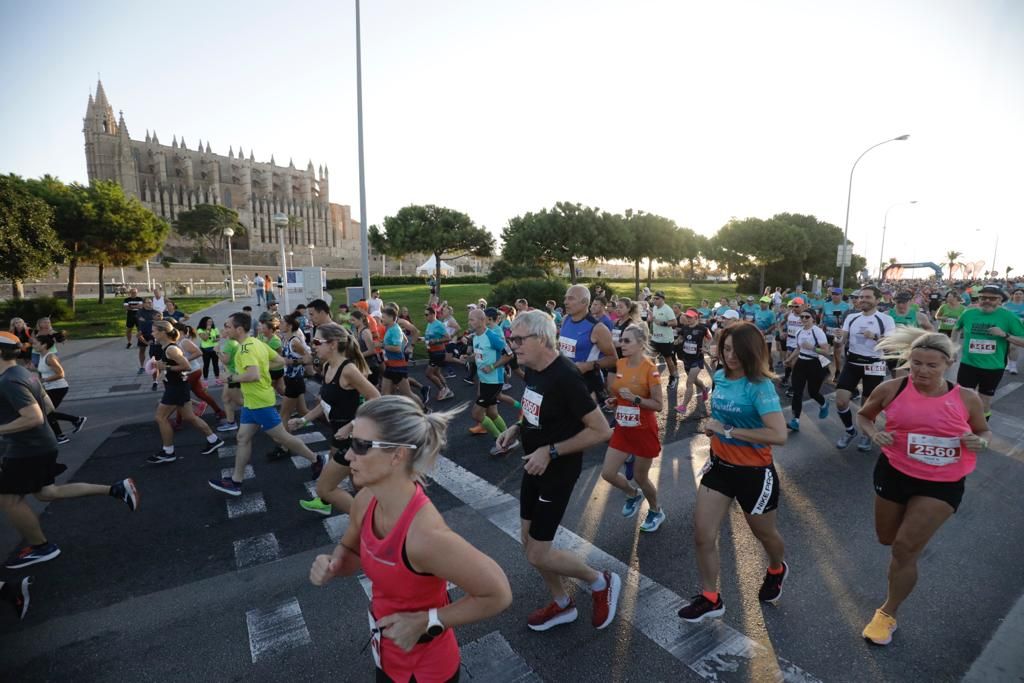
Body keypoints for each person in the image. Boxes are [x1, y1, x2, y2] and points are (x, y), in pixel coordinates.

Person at [309, 396, 512, 682]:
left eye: (361, 446)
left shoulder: (425, 536)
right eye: (350, 443)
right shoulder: (366, 500)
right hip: (387, 652)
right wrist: (334, 563)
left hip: (426, 668)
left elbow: (498, 594)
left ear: (397, 455)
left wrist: (426, 621)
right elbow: (351, 550)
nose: (348, 456)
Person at [856, 328, 991, 646]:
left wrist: (979, 441)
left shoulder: (965, 398)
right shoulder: (892, 388)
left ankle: (887, 614)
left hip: (943, 482)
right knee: (886, 539)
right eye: (916, 363)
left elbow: (983, 430)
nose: (922, 371)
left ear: (948, 364)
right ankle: (905, 558)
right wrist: (873, 433)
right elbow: (864, 416)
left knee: (904, 548)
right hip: (895, 472)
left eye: (932, 365)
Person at [493, 311, 621, 632]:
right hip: (533, 465)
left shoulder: (565, 376)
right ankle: (562, 604)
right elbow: (534, 411)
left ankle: (599, 581)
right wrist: (517, 429)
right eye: (512, 339)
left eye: (519, 340)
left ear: (542, 339)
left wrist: (550, 451)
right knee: (529, 543)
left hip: (557, 471)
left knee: (538, 553)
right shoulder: (533, 370)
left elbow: (601, 431)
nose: (513, 346)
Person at [677, 323, 789, 623]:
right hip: (720, 467)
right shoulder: (720, 377)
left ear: (752, 352)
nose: (731, 356)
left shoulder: (759, 386)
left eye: (738, 351)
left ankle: (777, 568)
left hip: (754, 472)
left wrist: (727, 430)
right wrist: (716, 429)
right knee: (702, 534)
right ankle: (711, 597)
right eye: (726, 349)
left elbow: (778, 435)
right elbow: (721, 416)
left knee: (764, 534)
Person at [0, 332, 138, 571]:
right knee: (46, 493)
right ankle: (116, 489)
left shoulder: (8, 381)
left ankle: (41, 547)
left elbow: (33, 417)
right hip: (41, 445)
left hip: (26, 449)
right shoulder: (24, 373)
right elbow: (49, 407)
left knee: (8, 499)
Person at [208, 312, 326, 496]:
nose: (225, 329)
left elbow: (253, 375)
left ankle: (317, 459)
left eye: (228, 326)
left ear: (239, 329)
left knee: (282, 438)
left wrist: (229, 377)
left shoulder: (245, 349)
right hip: (252, 402)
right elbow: (279, 360)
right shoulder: (257, 343)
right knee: (243, 438)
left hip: (260, 403)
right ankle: (236, 482)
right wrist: (300, 361)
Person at [296, 323, 380, 516]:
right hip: (338, 434)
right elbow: (325, 403)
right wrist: (303, 420)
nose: (313, 345)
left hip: (353, 437)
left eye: (317, 341)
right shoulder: (327, 367)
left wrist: (351, 426)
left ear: (333, 344)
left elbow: (376, 398)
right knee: (357, 481)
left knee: (325, 488)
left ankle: (369, 524)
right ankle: (378, 515)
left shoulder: (348, 369)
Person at [600, 324, 665, 532]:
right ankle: (632, 494)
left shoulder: (650, 369)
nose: (621, 344)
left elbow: (658, 405)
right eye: (621, 340)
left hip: (643, 431)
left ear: (640, 343)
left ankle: (656, 510)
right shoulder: (620, 363)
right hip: (623, 429)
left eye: (627, 341)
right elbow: (621, 395)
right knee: (608, 473)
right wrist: (615, 401)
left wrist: (636, 399)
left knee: (641, 477)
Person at [147, 321, 225, 464]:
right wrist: (162, 372)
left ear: (163, 332)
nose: (151, 333)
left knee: (160, 418)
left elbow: (186, 366)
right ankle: (214, 440)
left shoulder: (171, 349)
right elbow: (172, 366)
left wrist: (166, 367)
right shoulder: (165, 347)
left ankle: (168, 452)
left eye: (154, 331)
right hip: (177, 386)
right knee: (190, 417)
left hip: (176, 388)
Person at [833, 286, 896, 451]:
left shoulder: (885, 319)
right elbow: (840, 341)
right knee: (840, 400)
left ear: (877, 299)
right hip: (852, 362)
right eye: (861, 297)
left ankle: (866, 435)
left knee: (867, 406)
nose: (863, 300)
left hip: (874, 364)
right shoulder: (851, 317)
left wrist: (875, 336)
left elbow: (890, 345)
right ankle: (849, 431)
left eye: (867, 297)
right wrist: (838, 337)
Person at [952, 284, 1024, 419]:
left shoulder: (1008, 316)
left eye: (992, 298)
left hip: (993, 367)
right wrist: (953, 348)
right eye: (983, 297)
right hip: (968, 364)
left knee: (984, 402)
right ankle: (960, 428)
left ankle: (981, 431)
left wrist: (1005, 335)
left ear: (1000, 300)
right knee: (962, 399)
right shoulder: (968, 313)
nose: (987, 301)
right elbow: (956, 328)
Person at [559, 285, 617, 405]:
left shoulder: (598, 328)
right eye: (565, 298)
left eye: (571, 298)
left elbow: (613, 359)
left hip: (586, 383)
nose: (565, 302)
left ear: (585, 302)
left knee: (587, 423)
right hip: (564, 379)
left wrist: (587, 366)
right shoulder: (566, 319)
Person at [464, 308, 514, 448]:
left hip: (493, 381)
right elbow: (479, 354)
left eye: (472, 319)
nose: (469, 322)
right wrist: (468, 358)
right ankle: (508, 437)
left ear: (482, 320)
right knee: (492, 413)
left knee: (477, 414)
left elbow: (509, 354)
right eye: (469, 319)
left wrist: (492, 367)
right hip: (484, 380)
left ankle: (500, 439)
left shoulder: (491, 336)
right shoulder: (476, 336)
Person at [31, 333, 87, 445]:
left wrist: (43, 380)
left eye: (36, 344)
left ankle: (71, 425)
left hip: (59, 388)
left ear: (44, 345)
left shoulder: (50, 357)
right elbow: (45, 372)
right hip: (50, 388)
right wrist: (34, 373)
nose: (33, 346)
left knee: (47, 412)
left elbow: (61, 374)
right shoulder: (42, 356)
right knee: (48, 412)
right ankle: (64, 432)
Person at [174, 323, 230, 429]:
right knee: (200, 394)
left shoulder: (184, 342)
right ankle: (219, 412)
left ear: (180, 332)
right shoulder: (179, 342)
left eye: (173, 330)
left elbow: (199, 353)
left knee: (180, 397)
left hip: (192, 372)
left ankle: (178, 422)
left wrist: (184, 361)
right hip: (192, 371)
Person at [784, 310, 830, 431]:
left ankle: (824, 404)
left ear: (813, 319)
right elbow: (798, 348)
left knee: (813, 392)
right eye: (802, 316)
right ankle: (795, 420)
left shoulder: (818, 332)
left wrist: (813, 348)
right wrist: (789, 359)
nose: (803, 319)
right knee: (797, 392)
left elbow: (826, 351)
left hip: (815, 364)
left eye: (807, 317)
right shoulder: (799, 331)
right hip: (801, 363)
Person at [674, 310, 711, 417]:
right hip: (686, 359)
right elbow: (681, 337)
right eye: (687, 317)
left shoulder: (703, 328)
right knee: (694, 380)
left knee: (689, 382)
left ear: (696, 317)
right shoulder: (685, 328)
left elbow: (709, 338)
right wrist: (678, 341)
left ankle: (683, 406)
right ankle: (705, 389)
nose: (688, 319)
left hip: (697, 359)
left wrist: (706, 347)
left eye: (690, 317)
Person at [423, 307, 455, 401]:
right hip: (432, 351)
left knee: (428, 374)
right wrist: (424, 339)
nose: (425, 317)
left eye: (426, 314)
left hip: (438, 352)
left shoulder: (439, 324)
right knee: (437, 372)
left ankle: (443, 389)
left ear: (433, 314)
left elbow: (448, 338)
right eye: (424, 314)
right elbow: (429, 337)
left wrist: (436, 341)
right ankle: (447, 390)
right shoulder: (429, 324)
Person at [648, 291, 679, 389]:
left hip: (666, 340)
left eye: (657, 298)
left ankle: (673, 377)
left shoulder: (667, 309)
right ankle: (653, 377)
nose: (655, 300)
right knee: (650, 359)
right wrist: (650, 319)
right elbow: (653, 320)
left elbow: (675, 323)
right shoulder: (655, 308)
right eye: (654, 298)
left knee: (668, 360)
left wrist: (662, 323)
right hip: (655, 338)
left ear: (663, 299)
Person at [134, 297, 158, 375]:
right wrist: (152, 321)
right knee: (142, 350)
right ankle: (142, 367)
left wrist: (149, 321)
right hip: (142, 333)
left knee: (154, 351)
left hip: (153, 334)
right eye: (148, 302)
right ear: (144, 304)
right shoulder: (140, 312)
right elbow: (141, 320)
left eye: (151, 302)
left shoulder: (155, 312)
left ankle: (155, 366)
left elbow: (157, 321)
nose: (150, 303)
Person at [196, 316, 222, 384]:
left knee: (215, 364)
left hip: (214, 348)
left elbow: (218, 338)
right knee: (206, 365)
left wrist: (215, 339)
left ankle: (217, 379)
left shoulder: (215, 328)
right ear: (204, 322)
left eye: (211, 321)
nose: (210, 323)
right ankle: (205, 381)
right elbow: (205, 338)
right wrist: (208, 331)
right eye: (208, 321)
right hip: (205, 349)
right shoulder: (200, 329)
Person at [1005, 287, 1024, 374]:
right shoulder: (1006, 305)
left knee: (1013, 347)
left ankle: (1013, 366)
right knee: (1007, 347)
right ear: (1012, 296)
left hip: (1019, 329)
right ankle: (1009, 362)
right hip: (1007, 328)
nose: (1018, 295)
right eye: (1016, 294)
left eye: (1020, 294)